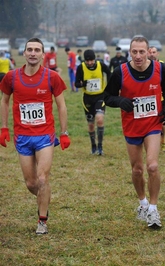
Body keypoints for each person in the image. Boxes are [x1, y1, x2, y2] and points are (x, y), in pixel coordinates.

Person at [0, 37, 71, 235]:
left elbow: (62, 105)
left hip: (44, 136)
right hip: (22, 137)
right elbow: (4, 101)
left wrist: (64, 133)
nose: (33, 53)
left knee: (42, 178)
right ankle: (44, 197)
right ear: (24, 53)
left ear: (42, 54)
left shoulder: (52, 77)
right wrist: (4, 128)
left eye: (36, 50)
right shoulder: (11, 77)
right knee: (31, 183)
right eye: (29, 49)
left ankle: (42, 220)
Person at [103, 36, 165, 229]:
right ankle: (142, 203)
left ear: (148, 51)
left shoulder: (161, 69)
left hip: (152, 124)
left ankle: (153, 209)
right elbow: (107, 96)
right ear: (130, 52)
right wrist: (121, 101)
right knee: (137, 170)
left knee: (152, 166)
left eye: (141, 52)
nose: (138, 56)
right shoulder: (120, 72)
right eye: (134, 52)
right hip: (132, 125)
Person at [74, 49, 111, 155]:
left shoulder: (101, 65)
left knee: (99, 119)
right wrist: (83, 84)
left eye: (91, 60)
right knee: (91, 125)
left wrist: (109, 87)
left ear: (95, 59)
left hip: (100, 97)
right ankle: (93, 146)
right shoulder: (81, 67)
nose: (90, 63)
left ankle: (100, 147)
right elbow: (76, 84)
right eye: (87, 61)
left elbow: (109, 73)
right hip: (87, 99)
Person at [148, 46, 165, 152]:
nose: (152, 54)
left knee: (162, 122)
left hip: (161, 98)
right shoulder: (143, 65)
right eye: (150, 52)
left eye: (154, 52)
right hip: (148, 98)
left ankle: (163, 142)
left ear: (157, 54)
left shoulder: (162, 66)